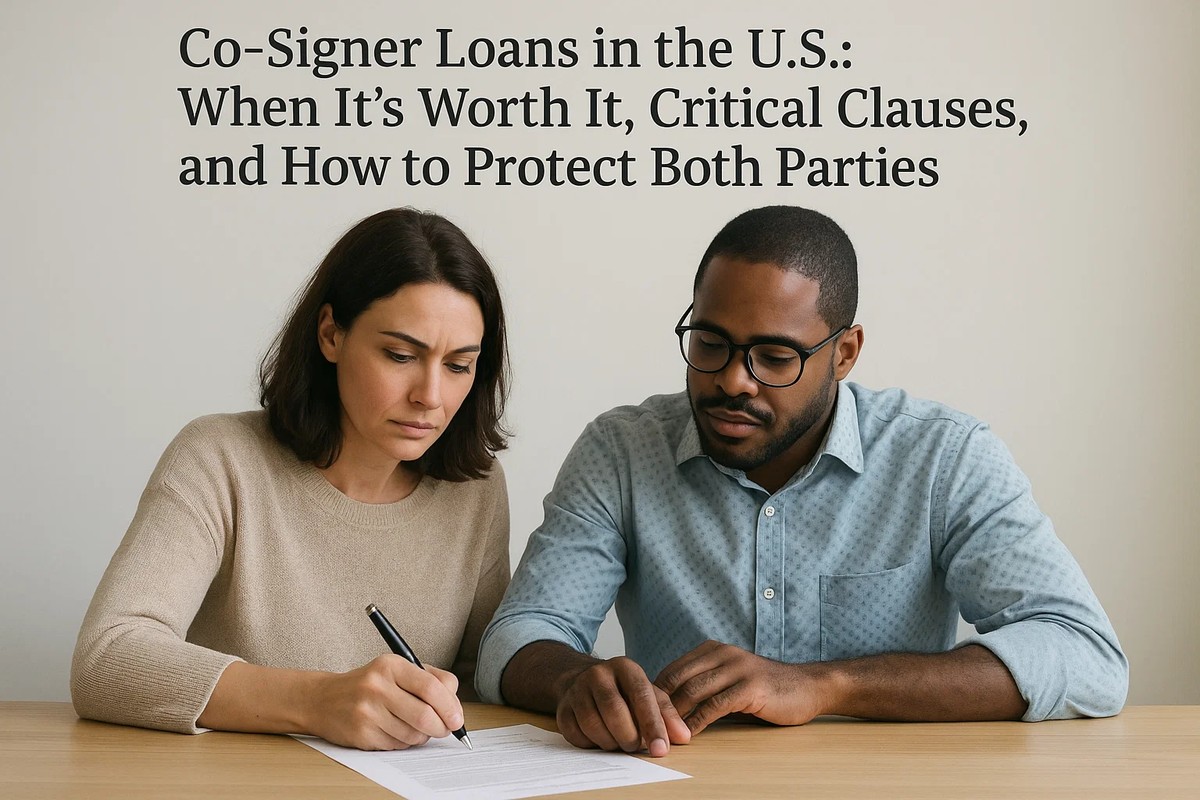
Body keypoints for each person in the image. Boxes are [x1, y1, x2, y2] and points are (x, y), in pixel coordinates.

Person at [477, 205, 1127, 757]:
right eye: (710, 343)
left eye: (774, 356)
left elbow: (1086, 656)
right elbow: (516, 637)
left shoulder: (945, 457)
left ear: (844, 353)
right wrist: (575, 682)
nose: (733, 380)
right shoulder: (621, 450)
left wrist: (826, 685)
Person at [72, 208, 511, 751]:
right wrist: (318, 702)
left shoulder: (476, 490)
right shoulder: (219, 458)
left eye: (459, 366)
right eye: (400, 355)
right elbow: (107, 658)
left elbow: (485, 684)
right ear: (331, 334)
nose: (431, 396)